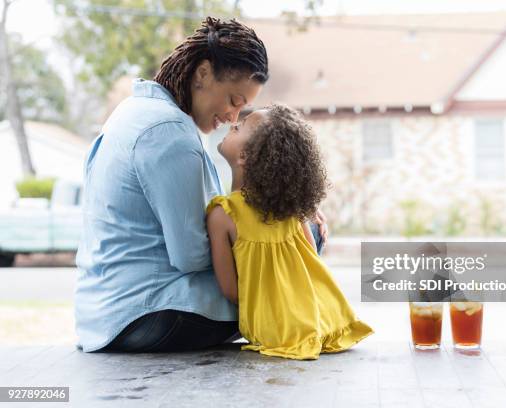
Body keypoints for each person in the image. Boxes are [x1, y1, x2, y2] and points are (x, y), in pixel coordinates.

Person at [75, 17, 327, 353]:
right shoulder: (167, 133)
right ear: (204, 73)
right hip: (147, 313)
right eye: (234, 100)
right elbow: (191, 257)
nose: (233, 118)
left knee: (288, 236)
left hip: (107, 312)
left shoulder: (136, 111)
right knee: (298, 243)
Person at [206, 104, 373, 360]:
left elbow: (231, 291)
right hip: (325, 316)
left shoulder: (223, 214)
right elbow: (310, 262)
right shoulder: (291, 211)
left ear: (244, 156)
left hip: (273, 329)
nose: (232, 124)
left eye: (239, 127)